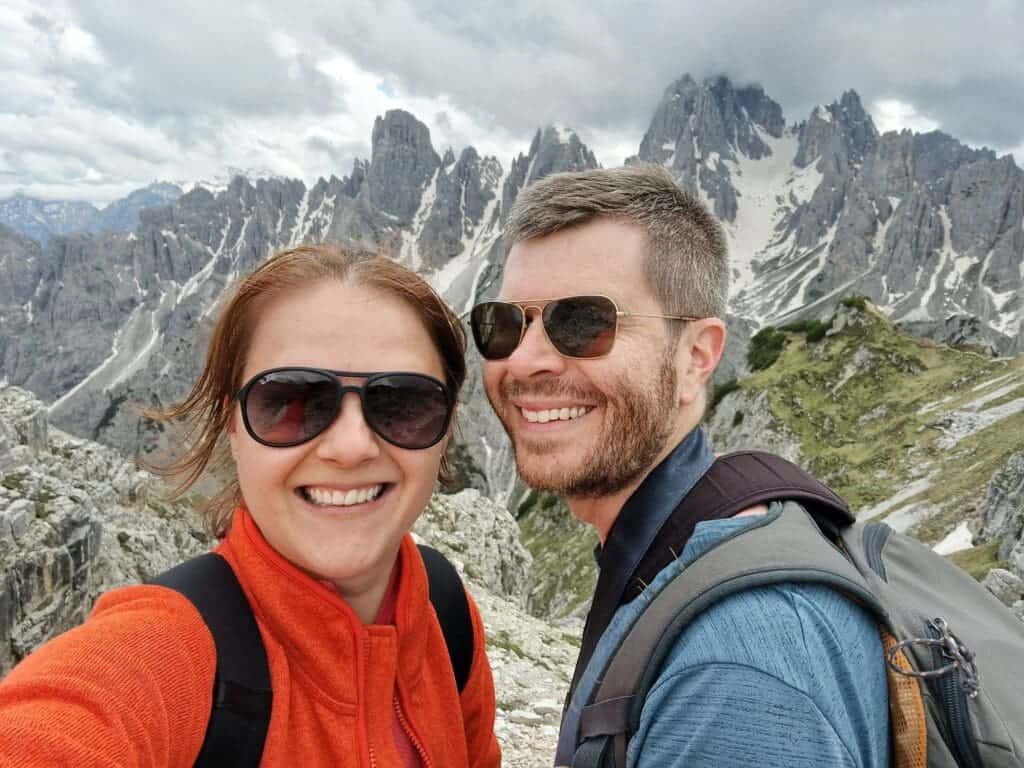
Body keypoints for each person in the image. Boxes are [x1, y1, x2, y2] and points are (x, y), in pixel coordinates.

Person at [0, 244, 501, 768]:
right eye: (290, 402)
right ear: (233, 425)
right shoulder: (166, 650)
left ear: (446, 430)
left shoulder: (445, 613)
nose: (351, 446)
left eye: (403, 403)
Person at [471, 165, 889, 767]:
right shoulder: (687, 543)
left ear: (697, 357)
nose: (526, 360)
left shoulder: (736, 672)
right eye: (504, 324)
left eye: (583, 323)